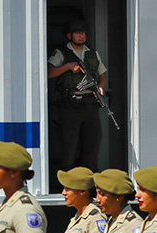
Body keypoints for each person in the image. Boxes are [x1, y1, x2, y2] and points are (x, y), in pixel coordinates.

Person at [47, 19, 108, 172]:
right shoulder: (61, 53)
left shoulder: (92, 53)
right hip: (70, 105)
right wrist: (67, 66)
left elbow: (103, 76)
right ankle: (68, 183)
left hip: (90, 104)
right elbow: (49, 73)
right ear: (69, 35)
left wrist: (100, 87)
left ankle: (89, 181)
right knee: (70, 146)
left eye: (83, 33)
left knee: (92, 143)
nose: (82, 36)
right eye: (78, 33)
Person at [58, 166, 105, 233]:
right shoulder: (77, 218)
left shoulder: (95, 219)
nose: (63, 193)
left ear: (83, 191)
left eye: (67, 188)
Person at [93, 169, 141, 233]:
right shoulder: (111, 222)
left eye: (102, 194)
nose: (97, 200)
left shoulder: (132, 224)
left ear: (118, 196)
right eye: (97, 194)